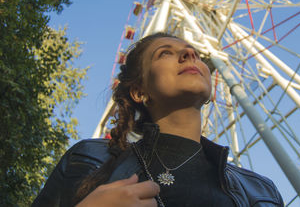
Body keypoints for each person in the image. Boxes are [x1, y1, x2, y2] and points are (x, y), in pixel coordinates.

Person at [32, 32, 284, 207]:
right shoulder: (89, 159)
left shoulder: (261, 192)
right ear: (139, 92)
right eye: (164, 53)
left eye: (195, 53)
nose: (189, 53)